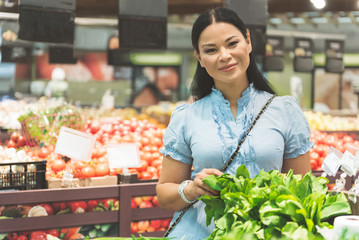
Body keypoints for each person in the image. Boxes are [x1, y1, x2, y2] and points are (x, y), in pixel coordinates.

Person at [156, 7, 313, 240]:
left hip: (267, 234)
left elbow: (303, 192)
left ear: (248, 41)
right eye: (211, 50)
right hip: (200, 234)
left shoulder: (285, 111)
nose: (224, 56)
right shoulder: (187, 117)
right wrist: (191, 189)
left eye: (232, 43)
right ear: (199, 58)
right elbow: (164, 194)